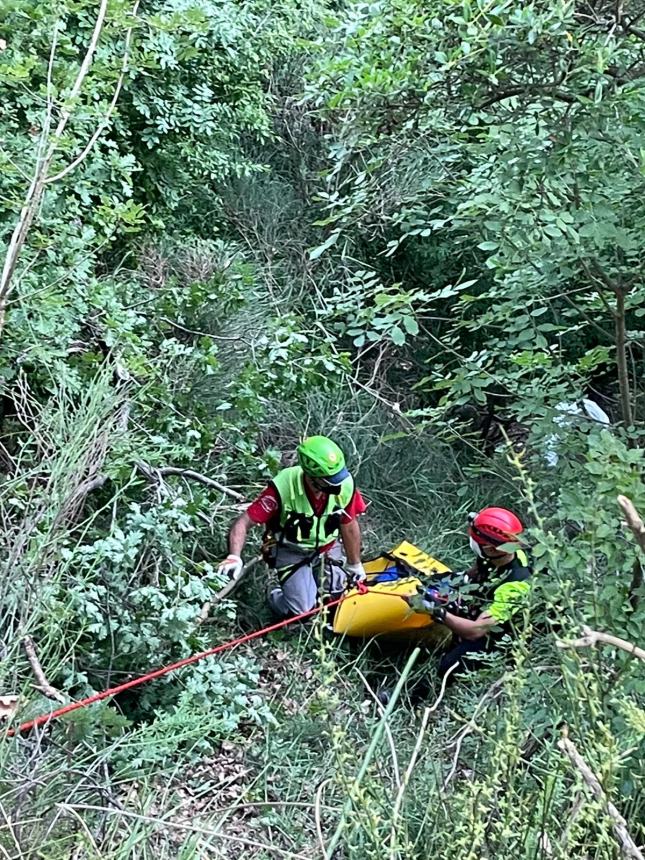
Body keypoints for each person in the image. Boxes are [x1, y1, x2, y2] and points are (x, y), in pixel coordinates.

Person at [217, 436, 367, 618]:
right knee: (303, 612)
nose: (337, 485)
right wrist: (234, 556)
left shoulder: (345, 485)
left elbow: (349, 525)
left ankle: (316, 584)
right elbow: (243, 522)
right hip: (292, 550)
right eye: (330, 481)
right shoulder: (283, 487)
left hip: (327, 546)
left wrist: (355, 564)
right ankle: (275, 596)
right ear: (312, 477)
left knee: (336, 596)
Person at [411, 506, 532, 679]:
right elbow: (475, 572)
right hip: (483, 602)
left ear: (490, 548)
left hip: (499, 634)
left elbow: (477, 630)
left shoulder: (515, 585)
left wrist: (437, 611)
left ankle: (419, 695)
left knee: (448, 666)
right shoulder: (498, 553)